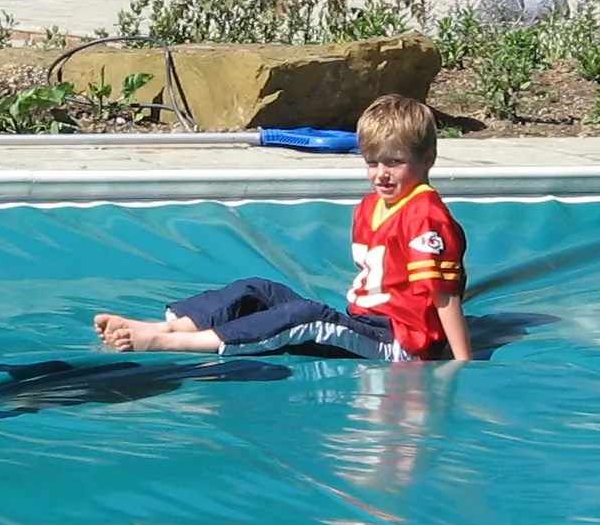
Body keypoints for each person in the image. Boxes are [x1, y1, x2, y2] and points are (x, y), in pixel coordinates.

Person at [93, 94, 474, 363]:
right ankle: (165, 327)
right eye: (372, 162)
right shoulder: (372, 205)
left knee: (305, 314)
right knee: (258, 288)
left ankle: (166, 343)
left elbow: (443, 296)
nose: (381, 173)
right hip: (363, 322)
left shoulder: (423, 214)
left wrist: (461, 361)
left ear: (427, 159)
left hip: (398, 342)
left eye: (395, 161)